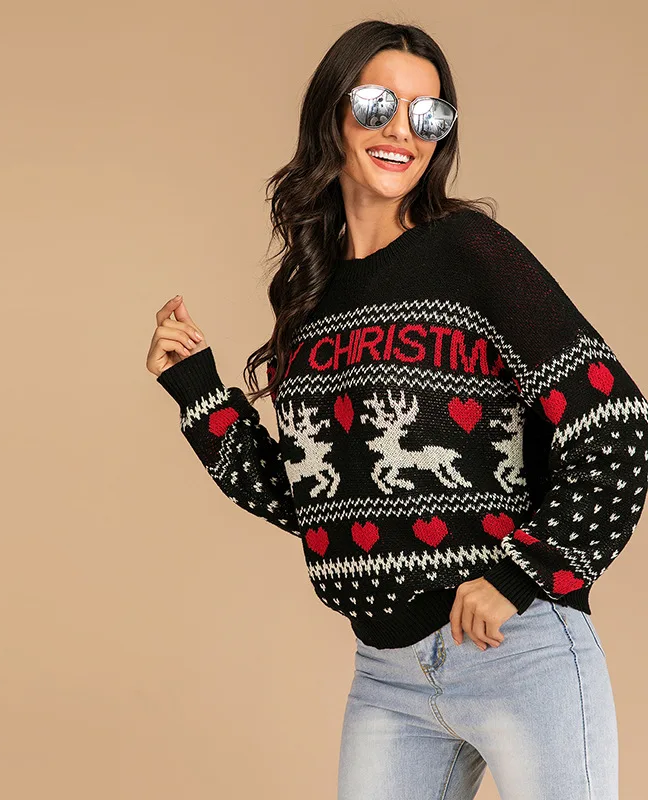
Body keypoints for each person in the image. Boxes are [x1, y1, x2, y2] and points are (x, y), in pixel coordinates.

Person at [145, 19, 645, 800]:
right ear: (333, 113)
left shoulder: (471, 253)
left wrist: (525, 574)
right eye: (378, 104)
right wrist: (197, 391)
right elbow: (316, 500)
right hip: (387, 678)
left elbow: (615, 424)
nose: (402, 132)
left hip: (518, 652)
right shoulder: (310, 295)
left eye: (429, 114)